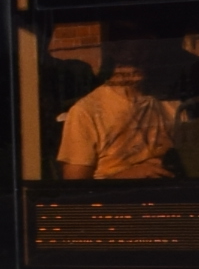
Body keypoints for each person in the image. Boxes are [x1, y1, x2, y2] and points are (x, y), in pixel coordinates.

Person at [56, 47, 182, 181]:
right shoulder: (86, 111)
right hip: (114, 198)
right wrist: (130, 175)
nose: (138, 55)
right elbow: (75, 187)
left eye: (145, 47)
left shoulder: (171, 105)